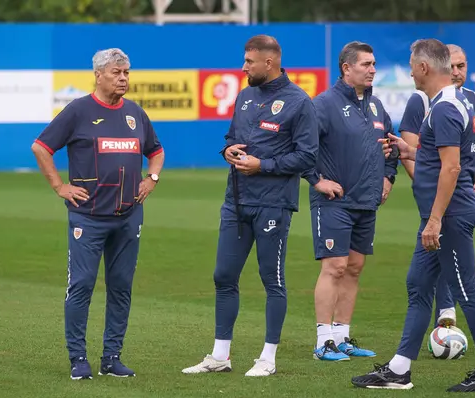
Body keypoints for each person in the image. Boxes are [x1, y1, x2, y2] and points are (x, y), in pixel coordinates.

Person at [351, 39, 475, 393]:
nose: (408, 72)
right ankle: (399, 370)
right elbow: (441, 156)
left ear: (424, 68)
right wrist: (411, 150)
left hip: (449, 216)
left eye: (411, 65)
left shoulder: (444, 108)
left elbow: (452, 169)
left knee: (466, 292)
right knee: (418, 285)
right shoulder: (445, 105)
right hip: (441, 216)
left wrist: (435, 220)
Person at [181, 35, 318, 377]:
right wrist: (227, 151)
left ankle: (268, 358)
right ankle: (220, 356)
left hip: (273, 205)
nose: (243, 68)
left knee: (272, 280)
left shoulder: (299, 102)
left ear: (269, 63)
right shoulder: (244, 96)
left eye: (249, 62)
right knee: (223, 276)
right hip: (236, 202)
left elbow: (307, 157)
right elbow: (232, 139)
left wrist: (263, 166)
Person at [31, 48, 165, 380]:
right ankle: (78, 358)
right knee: (82, 286)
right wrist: (59, 186)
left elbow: (157, 151)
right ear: (99, 75)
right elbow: (41, 147)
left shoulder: (135, 113)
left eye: (127, 72)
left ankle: (111, 358)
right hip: (88, 218)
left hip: (128, 217)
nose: (123, 78)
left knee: (121, 287)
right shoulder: (78, 111)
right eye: (117, 72)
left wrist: (152, 178)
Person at [304, 41, 398, 362]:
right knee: (335, 267)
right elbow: (303, 148)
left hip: (365, 202)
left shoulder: (376, 107)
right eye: (366, 64)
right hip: (334, 202)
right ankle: (323, 342)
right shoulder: (324, 105)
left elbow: (392, 146)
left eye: (373, 64)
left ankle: (342, 337)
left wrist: (388, 177)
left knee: (355, 268)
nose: (372, 70)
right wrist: (318, 180)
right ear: (347, 68)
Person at [399, 44, 475, 328]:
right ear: (440, 65)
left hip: (456, 201)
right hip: (437, 197)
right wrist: (425, 183)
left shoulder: (474, 101)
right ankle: (408, 356)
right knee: (423, 278)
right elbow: (413, 149)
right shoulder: (420, 101)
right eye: (452, 66)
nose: (456, 72)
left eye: (462, 66)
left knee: (449, 268)